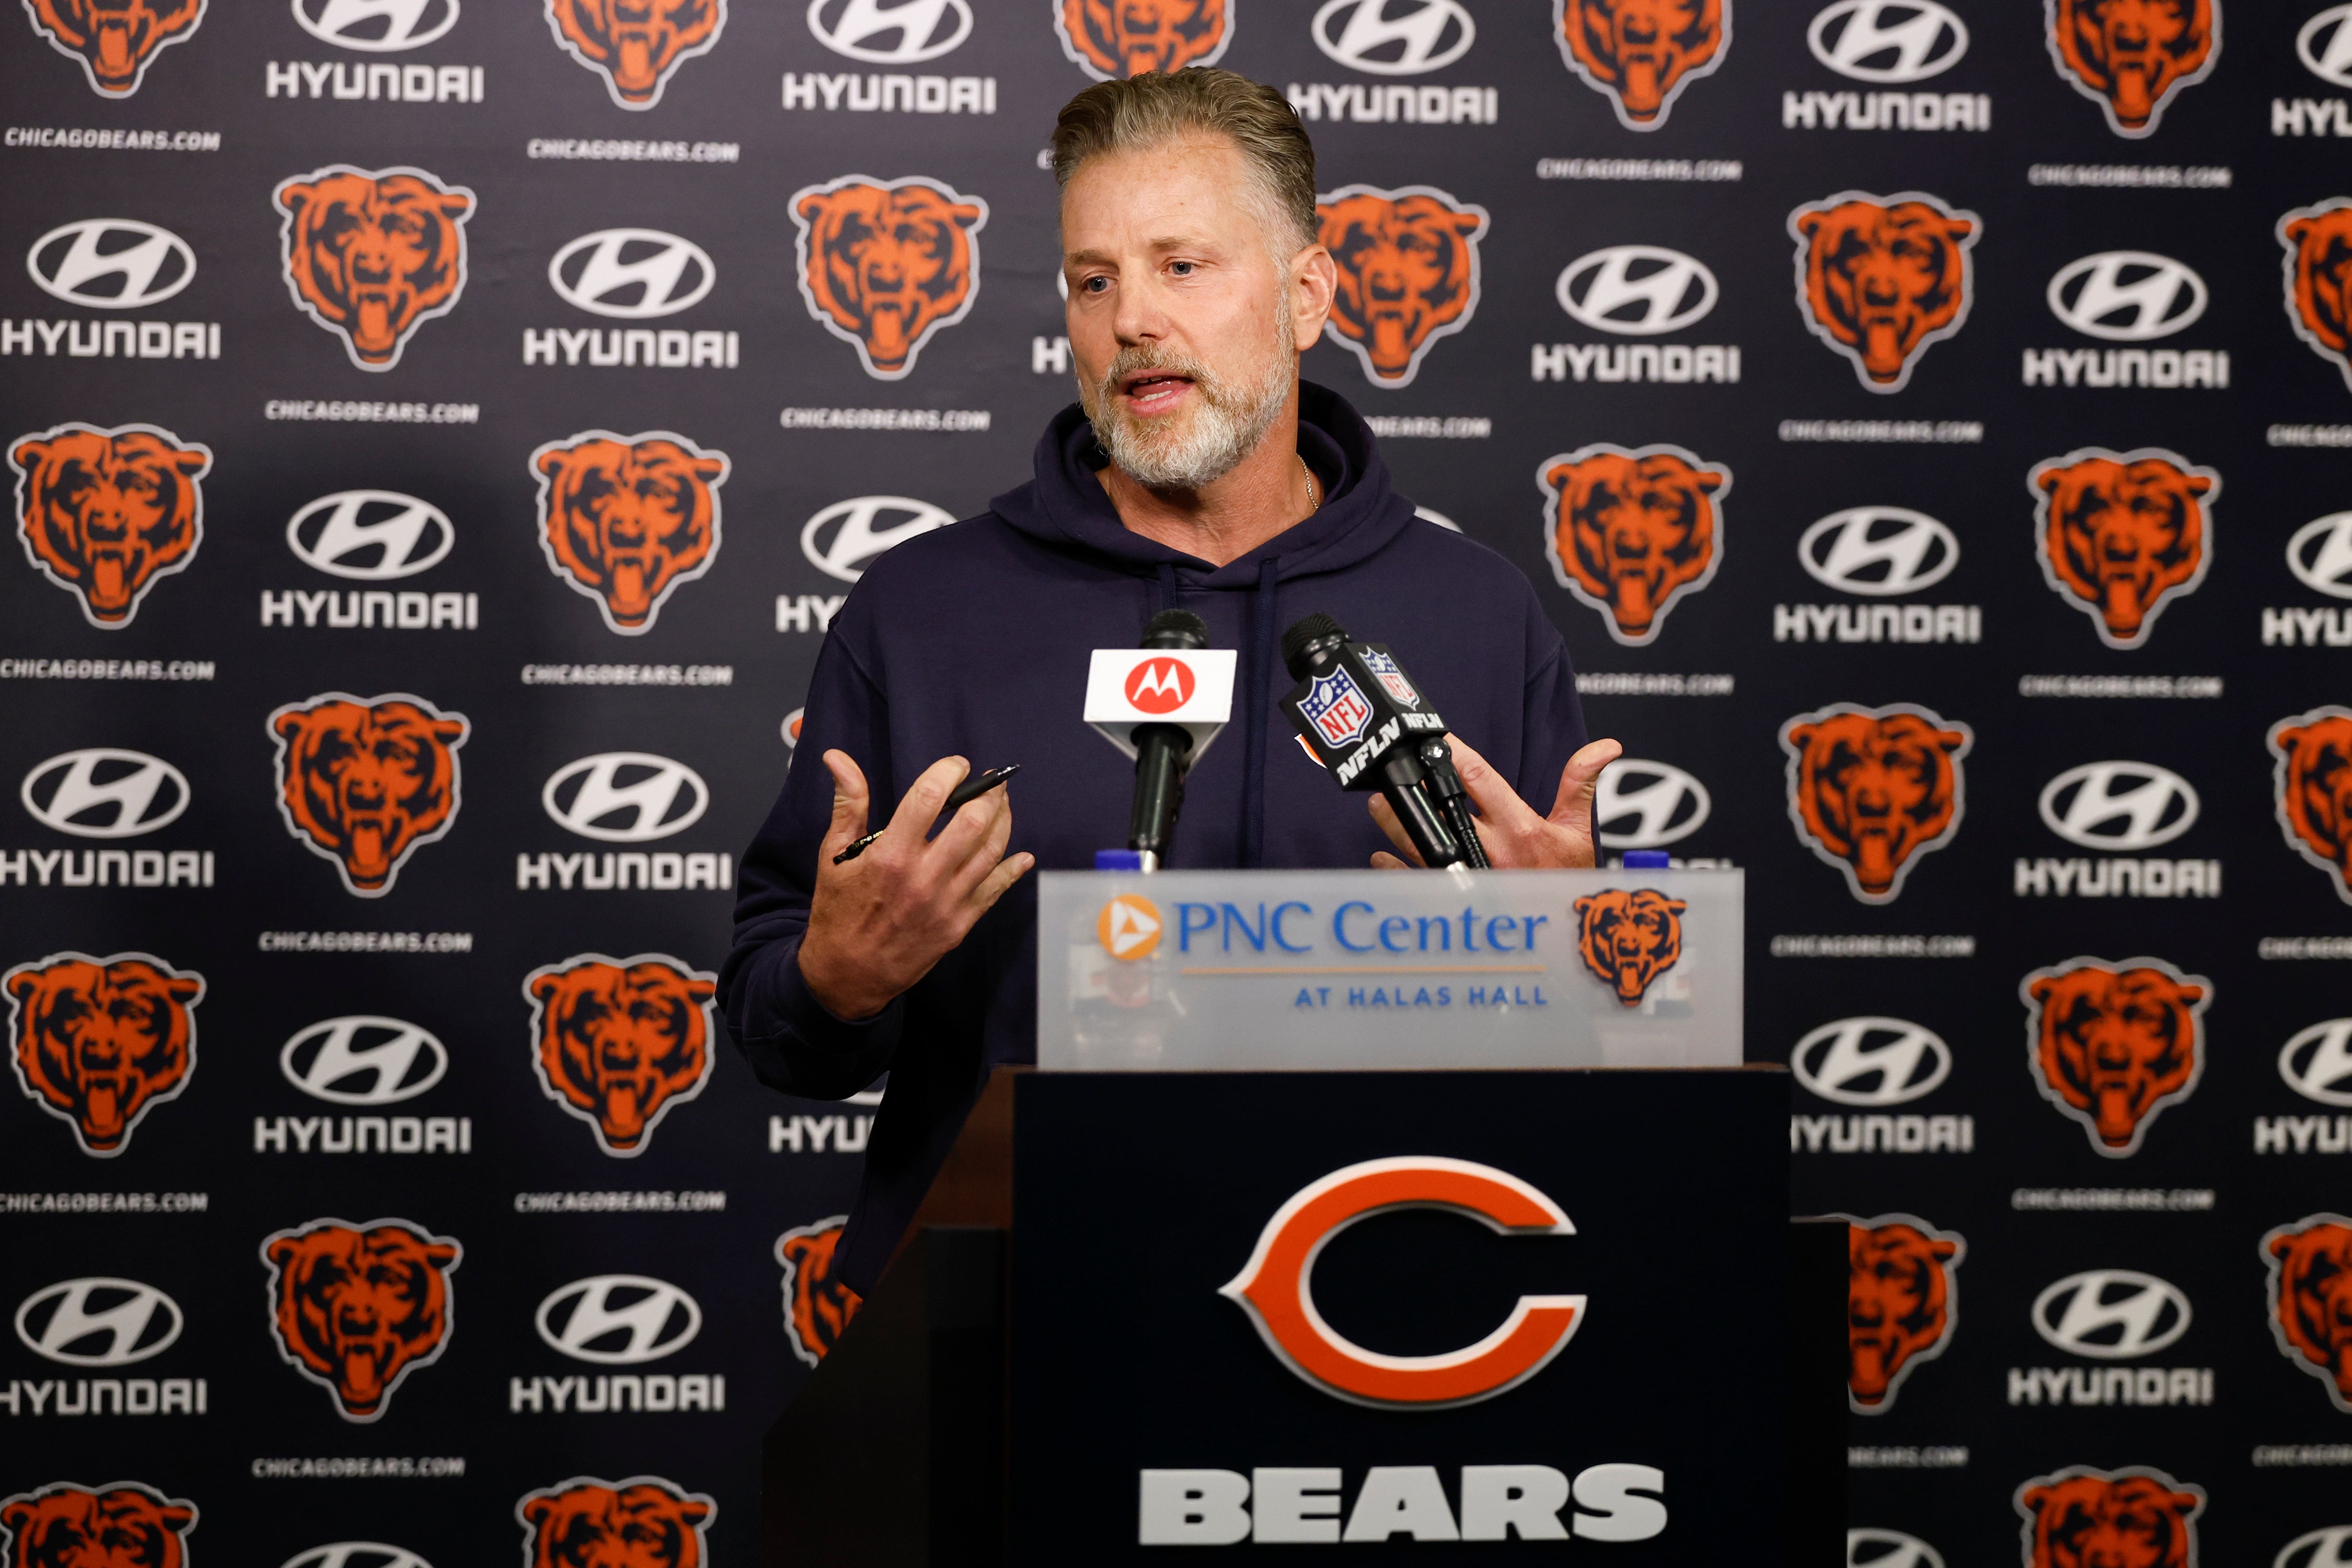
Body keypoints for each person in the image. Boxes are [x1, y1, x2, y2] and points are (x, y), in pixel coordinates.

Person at [722, 68, 1620, 1295]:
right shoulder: (926, 611)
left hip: (1379, 1308)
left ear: (1306, 294)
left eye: (1181, 267)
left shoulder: (1474, 613)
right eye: (1094, 281)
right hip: (1016, 1326)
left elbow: (1588, 1040)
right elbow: (781, 1024)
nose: (1130, 319)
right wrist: (837, 979)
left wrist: (1573, 960)